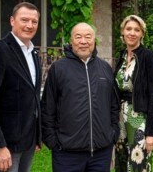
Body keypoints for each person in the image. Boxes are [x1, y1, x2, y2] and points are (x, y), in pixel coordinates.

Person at [41, 22, 120, 172]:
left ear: (94, 40)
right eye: (78, 37)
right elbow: (47, 107)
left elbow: (113, 105)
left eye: (88, 37)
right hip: (67, 153)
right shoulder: (58, 69)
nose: (83, 41)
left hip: (101, 153)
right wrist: (52, 141)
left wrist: (112, 134)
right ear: (71, 41)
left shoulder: (105, 68)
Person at [0, 2, 42, 172]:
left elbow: (32, 97)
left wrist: (36, 136)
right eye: (24, 20)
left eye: (34, 21)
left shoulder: (34, 54)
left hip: (28, 141)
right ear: (12, 21)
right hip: (7, 144)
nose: (30, 25)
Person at [114, 15, 153, 172]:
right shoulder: (121, 57)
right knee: (121, 163)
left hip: (139, 119)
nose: (132, 33)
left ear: (142, 34)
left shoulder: (149, 57)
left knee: (138, 165)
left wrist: (152, 132)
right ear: (123, 32)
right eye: (128, 29)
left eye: (137, 30)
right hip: (121, 119)